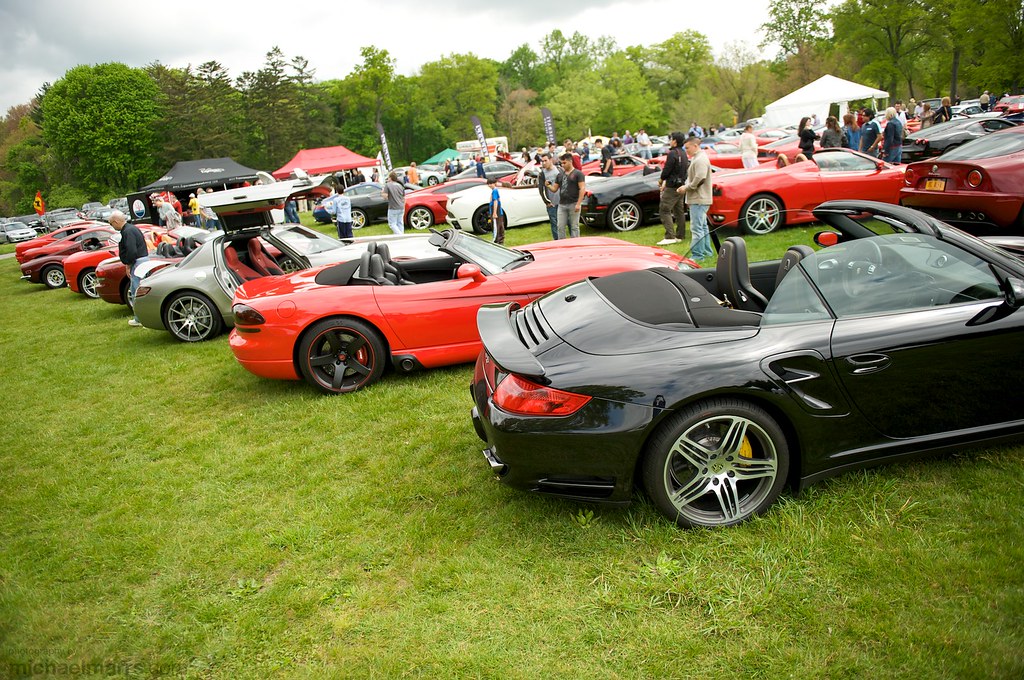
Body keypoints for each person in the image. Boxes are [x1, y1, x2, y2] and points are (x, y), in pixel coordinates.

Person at [109, 210, 148, 327]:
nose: (112, 226)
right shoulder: (132, 228)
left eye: (111, 224)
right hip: (142, 261)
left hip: (137, 263)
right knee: (138, 290)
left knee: (137, 292)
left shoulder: (127, 232)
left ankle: (141, 319)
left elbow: (132, 251)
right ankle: (141, 317)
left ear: (116, 222)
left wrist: (129, 264)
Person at [678, 136, 714, 260]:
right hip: (700, 198)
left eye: (687, 148)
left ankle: (698, 255)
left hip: (699, 199)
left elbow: (700, 178)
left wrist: (687, 188)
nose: (686, 150)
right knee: (702, 227)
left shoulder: (700, 159)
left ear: (695, 146)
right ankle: (707, 253)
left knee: (696, 228)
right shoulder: (697, 158)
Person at [657, 131, 688, 245]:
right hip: (681, 185)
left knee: (664, 209)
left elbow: (667, 169)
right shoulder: (683, 153)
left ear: (674, 141)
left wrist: (661, 180)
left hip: (672, 186)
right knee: (679, 211)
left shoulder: (672, 153)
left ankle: (670, 236)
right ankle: (680, 235)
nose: (670, 141)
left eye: (671, 139)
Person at [556, 153, 584, 239]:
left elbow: (582, 188)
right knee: (560, 226)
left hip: (574, 203)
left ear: (570, 161)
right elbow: (554, 188)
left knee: (574, 227)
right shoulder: (560, 175)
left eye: (564, 163)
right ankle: (562, 244)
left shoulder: (578, 174)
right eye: (561, 163)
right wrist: (548, 185)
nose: (562, 165)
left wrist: (578, 203)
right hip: (562, 204)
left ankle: (576, 245)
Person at [537, 153, 561, 240]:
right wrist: (546, 201)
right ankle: (557, 242)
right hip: (552, 203)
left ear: (551, 160)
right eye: (542, 161)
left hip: (562, 202)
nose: (543, 163)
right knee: (554, 224)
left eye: (545, 160)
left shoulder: (559, 170)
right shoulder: (542, 174)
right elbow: (541, 189)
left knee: (565, 223)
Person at [487, 177, 505, 244]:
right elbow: (499, 200)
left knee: (496, 226)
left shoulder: (494, 191)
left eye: (491, 183)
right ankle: (500, 240)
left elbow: (495, 201)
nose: (489, 185)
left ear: (495, 183)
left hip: (496, 211)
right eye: (488, 184)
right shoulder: (495, 190)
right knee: (499, 225)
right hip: (498, 211)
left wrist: (494, 212)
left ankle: (497, 241)